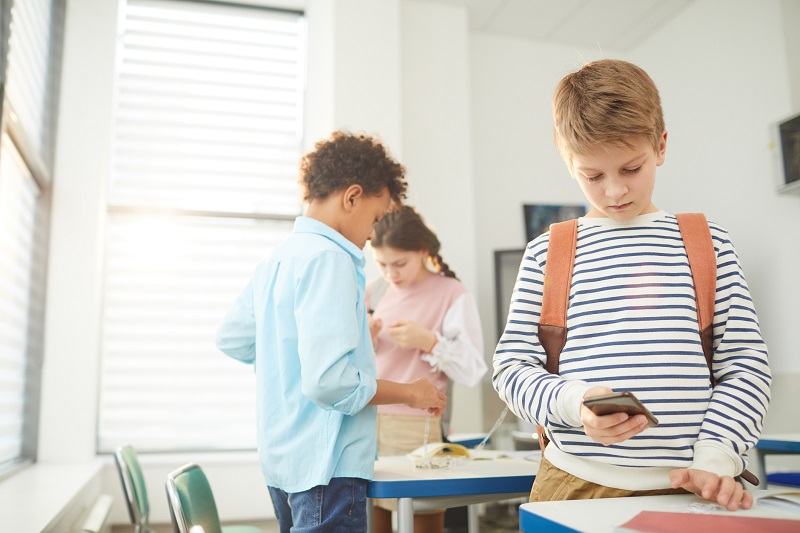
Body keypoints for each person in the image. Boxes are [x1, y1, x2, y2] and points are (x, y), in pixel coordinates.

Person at [492, 59, 771, 511]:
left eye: (631, 168)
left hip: (691, 487)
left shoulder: (706, 243)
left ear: (660, 146)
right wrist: (574, 403)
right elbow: (510, 369)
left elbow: (745, 366)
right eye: (593, 176)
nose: (615, 192)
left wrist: (716, 455)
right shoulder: (548, 252)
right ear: (569, 164)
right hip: (575, 484)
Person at [216, 131, 447, 533]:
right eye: (376, 219)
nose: (373, 234)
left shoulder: (278, 259)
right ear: (352, 197)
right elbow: (330, 384)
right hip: (328, 467)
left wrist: (286, 356)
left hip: (283, 461)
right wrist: (412, 392)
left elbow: (233, 338)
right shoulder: (333, 260)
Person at [367, 205, 487, 533]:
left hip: (415, 426)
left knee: (423, 520)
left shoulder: (452, 294)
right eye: (382, 264)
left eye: (399, 263)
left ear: (422, 251)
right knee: (372, 519)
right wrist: (366, 338)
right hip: (365, 422)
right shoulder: (373, 290)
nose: (390, 273)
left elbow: (473, 370)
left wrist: (429, 340)